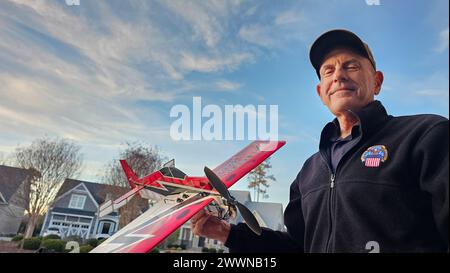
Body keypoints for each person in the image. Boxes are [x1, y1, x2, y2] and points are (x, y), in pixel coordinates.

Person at [191, 29, 449, 253]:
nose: (338, 75)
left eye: (351, 66)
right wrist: (227, 233)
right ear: (321, 92)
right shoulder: (308, 171)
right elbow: (299, 245)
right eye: (328, 70)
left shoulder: (426, 135)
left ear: (377, 81)